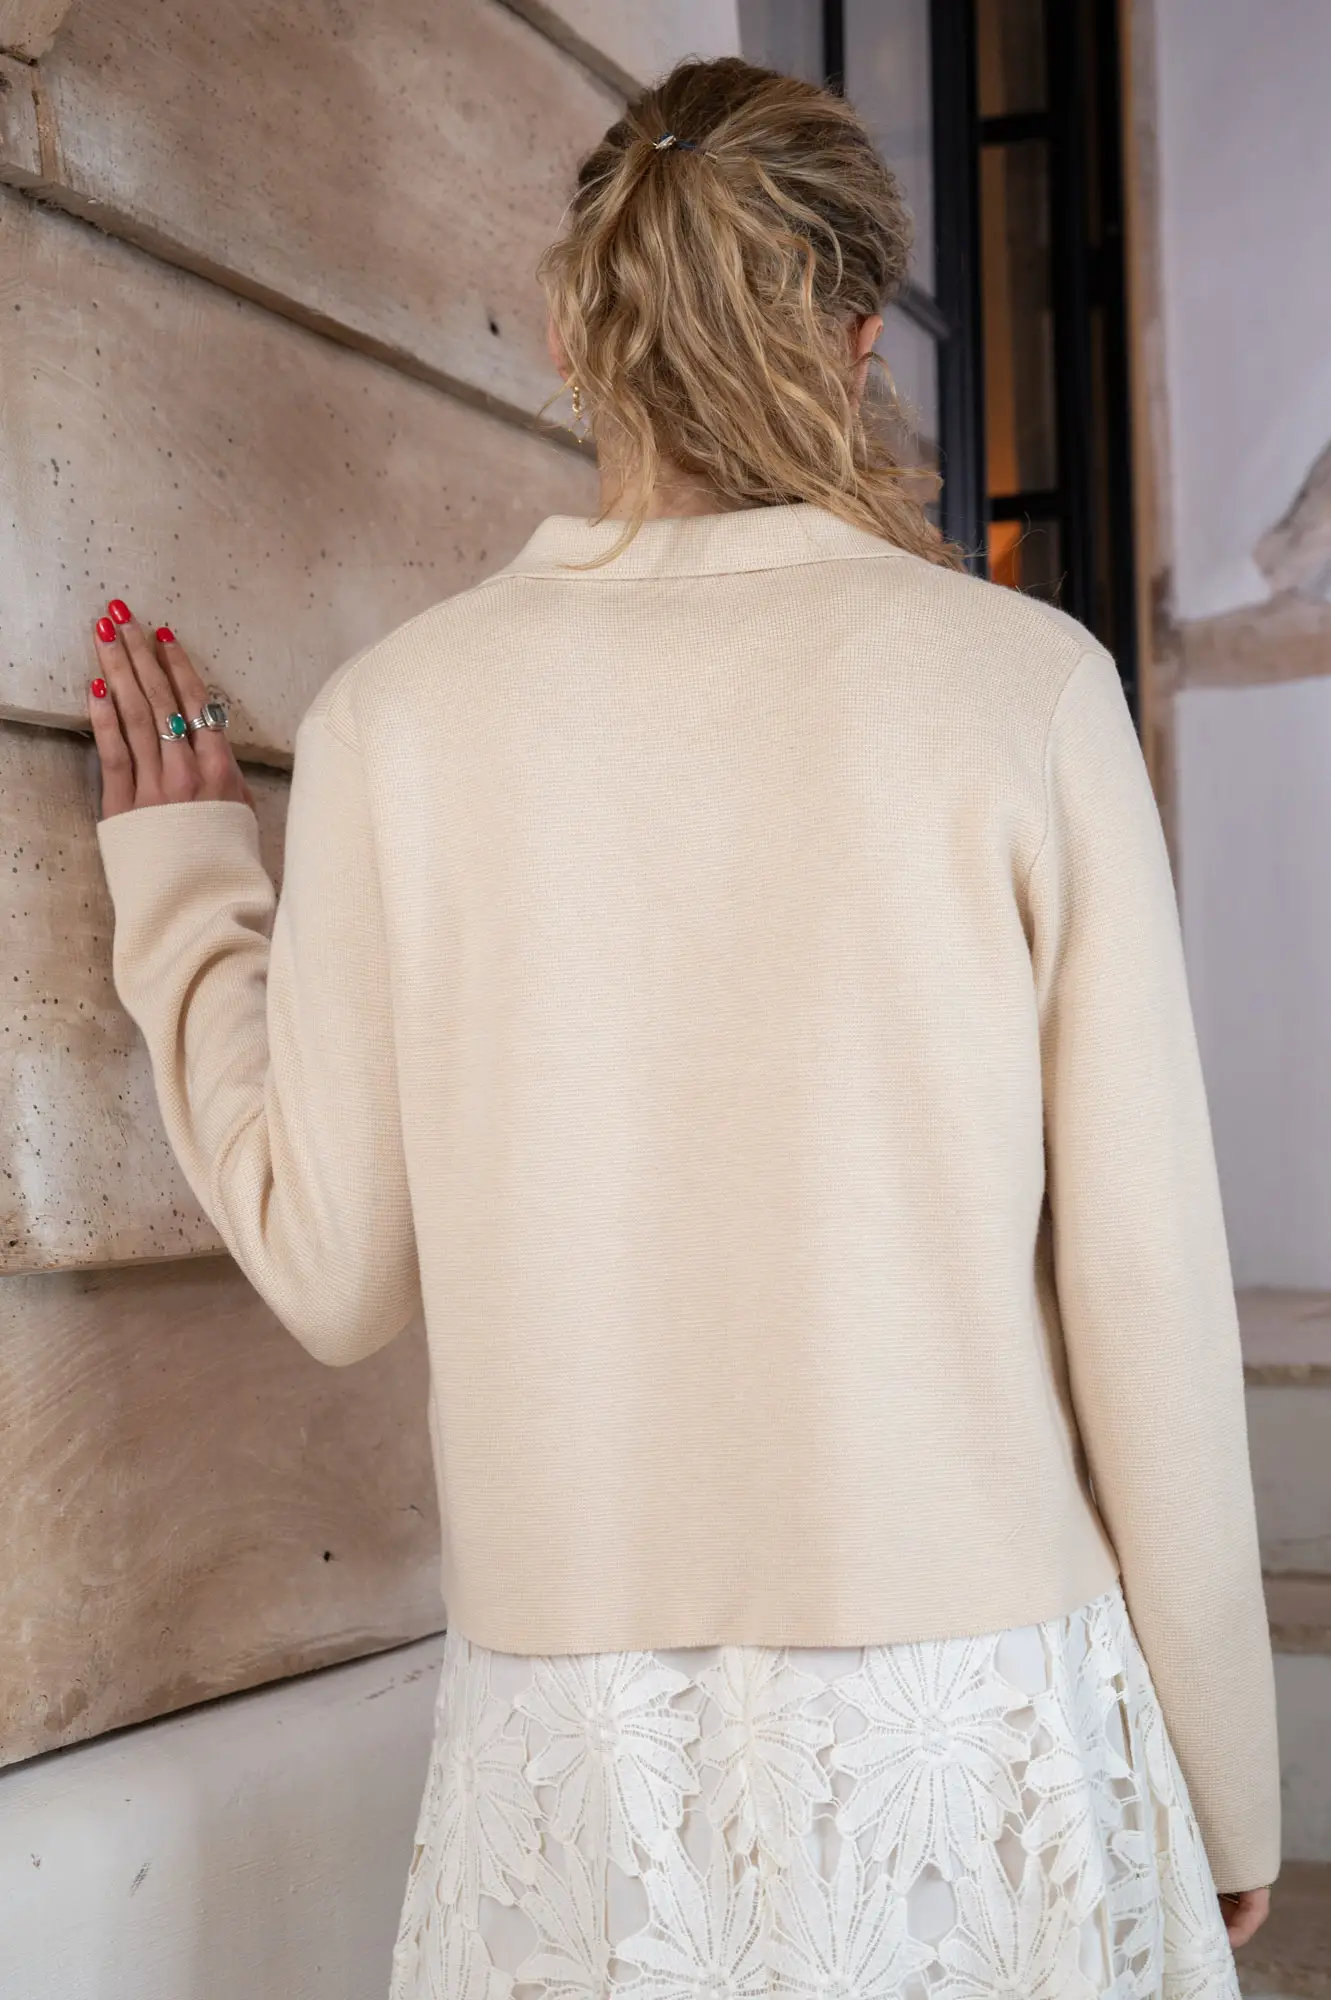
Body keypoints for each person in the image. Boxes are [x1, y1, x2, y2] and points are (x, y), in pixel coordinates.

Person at [88, 54, 1277, 1999]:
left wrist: (188, 894)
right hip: (977, 1726)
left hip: (585, 1763)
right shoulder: (1025, 693)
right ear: (854, 344)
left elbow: (331, 1270)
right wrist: (1225, 1784)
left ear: (571, 333)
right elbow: (1141, 1291)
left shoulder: (399, 722)